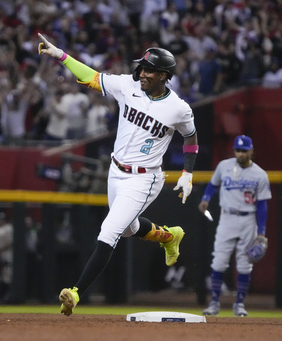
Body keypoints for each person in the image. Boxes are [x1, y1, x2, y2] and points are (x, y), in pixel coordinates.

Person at [38, 33, 198, 316]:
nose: (143, 73)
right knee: (128, 229)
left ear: (164, 75)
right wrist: (60, 54)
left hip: (144, 178)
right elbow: (91, 77)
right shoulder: (128, 86)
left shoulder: (179, 109)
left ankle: (75, 293)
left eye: (149, 69)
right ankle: (168, 237)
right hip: (115, 171)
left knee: (109, 231)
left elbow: (191, 137)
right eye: (143, 67)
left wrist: (188, 171)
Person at [198, 135, 271, 317]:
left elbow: (262, 205)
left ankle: (239, 304)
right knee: (219, 261)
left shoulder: (260, 174)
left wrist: (261, 232)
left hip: (248, 219)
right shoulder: (224, 166)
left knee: (245, 264)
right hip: (227, 217)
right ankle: (214, 303)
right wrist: (206, 199)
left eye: (244, 150)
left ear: (251, 151)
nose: (240, 154)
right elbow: (212, 184)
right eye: (238, 150)